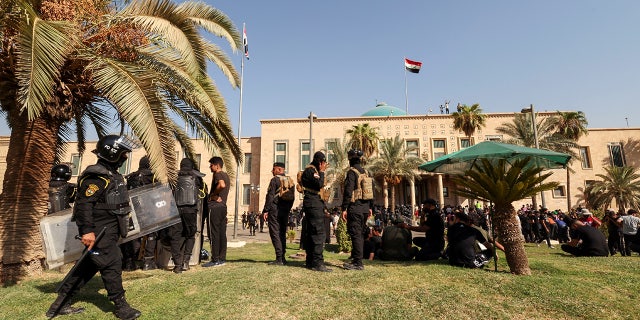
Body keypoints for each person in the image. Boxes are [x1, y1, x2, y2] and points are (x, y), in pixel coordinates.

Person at [46, 135, 141, 319]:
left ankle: (59, 305)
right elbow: (83, 205)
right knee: (112, 263)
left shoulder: (111, 174)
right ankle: (121, 306)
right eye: (123, 154)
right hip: (99, 231)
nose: (125, 158)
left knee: (86, 267)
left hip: (109, 230)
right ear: (112, 154)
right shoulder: (96, 177)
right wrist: (87, 231)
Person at [167, 158, 205, 273]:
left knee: (175, 236)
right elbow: (201, 189)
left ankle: (177, 264)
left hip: (176, 209)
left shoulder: (174, 176)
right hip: (191, 209)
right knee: (190, 235)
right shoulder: (196, 176)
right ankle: (185, 261)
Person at [341, 149, 374, 271]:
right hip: (365, 208)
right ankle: (356, 258)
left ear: (350, 160)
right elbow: (372, 190)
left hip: (355, 208)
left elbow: (348, 191)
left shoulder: (351, 172)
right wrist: (371, 207)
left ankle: (358, 263)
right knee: (359, 234)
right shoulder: (366, 172)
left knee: (355, 234)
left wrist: (344, 208)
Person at [123, 156, 156, 271]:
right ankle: (148, 262)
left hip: (132, 209)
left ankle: (130, 262)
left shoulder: (131, 176)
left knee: (133, 235)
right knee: (152, 234)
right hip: (148, 209)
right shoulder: (152, 176)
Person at [300, 151, 331, 272]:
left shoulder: (311, 170)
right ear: (320, 162)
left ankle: (311, 261)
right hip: (313, 203)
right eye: (323, 163)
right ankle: (318, 262)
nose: (324, 166)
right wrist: (322, 172)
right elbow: (319, 184)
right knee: (318, 233)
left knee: (311, 232)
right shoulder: (311, 171)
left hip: (313, 202)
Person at [262, 162, 295, 265]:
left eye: (274, 169)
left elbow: (270, 196)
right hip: (285, 211)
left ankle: (279, 258)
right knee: (282, 234)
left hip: (275, 210)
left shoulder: (275, 180)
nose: (272, 171)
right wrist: (288, 209)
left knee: (275, 234)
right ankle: (283, 258)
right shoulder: (290, 181)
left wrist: (265, 210)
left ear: (280, 170)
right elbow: (292, 198)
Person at [203, 156, 230, 267]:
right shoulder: (226, 175)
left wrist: (213, 195)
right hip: (223, 207)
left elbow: (222, 185)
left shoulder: (218, 174)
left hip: (214, 207)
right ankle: (222, 258)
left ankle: (215, 259)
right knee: (221, 233)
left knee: (213, 233)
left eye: (211, 165)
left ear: (217, 165)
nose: (210, 166)